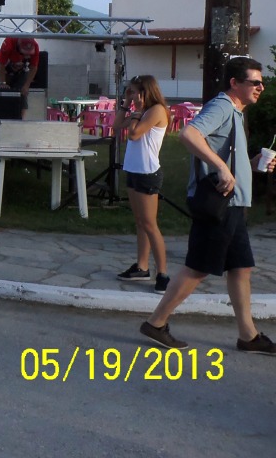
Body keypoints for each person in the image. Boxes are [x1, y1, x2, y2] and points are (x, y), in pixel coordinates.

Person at [140, 57, 276, 353]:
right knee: (198, 268)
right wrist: (221, 168)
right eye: (255, 82)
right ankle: (156, 323)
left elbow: (226, 158)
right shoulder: (223, 106)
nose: (260, 87)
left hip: (234, 205)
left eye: (262, 82)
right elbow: (188, 134)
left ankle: (248, 336)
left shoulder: (236, 112)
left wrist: (252, 164)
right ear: (235, 83)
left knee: (241, 268)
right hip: (219, 205)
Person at [114, 75, 171, 293]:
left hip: (147, 172)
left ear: (145, 91)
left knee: (149, 224)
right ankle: (142, 266)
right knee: (140, 222)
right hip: (134, 170)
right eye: (129, 91)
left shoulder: (156, 110)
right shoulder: (141, 111)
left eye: (134, 91)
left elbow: (134, 134)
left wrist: (136, 111)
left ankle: (163, 273)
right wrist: (126, 104)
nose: (132, 95)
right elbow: (116, 125)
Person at [0, 36, 40, 118]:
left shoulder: (35, 46)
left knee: (23, 95)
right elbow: (1, 64)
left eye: (29, 53)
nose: (26, 56)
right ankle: (0, 117)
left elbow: (34, 67)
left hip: (21, 72)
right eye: (24, 53)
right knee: (0, 93)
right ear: (18, 46)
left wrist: (26, 85)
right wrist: (3, 82)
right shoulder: (8, 43)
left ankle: (20, 119)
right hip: (5, 70)